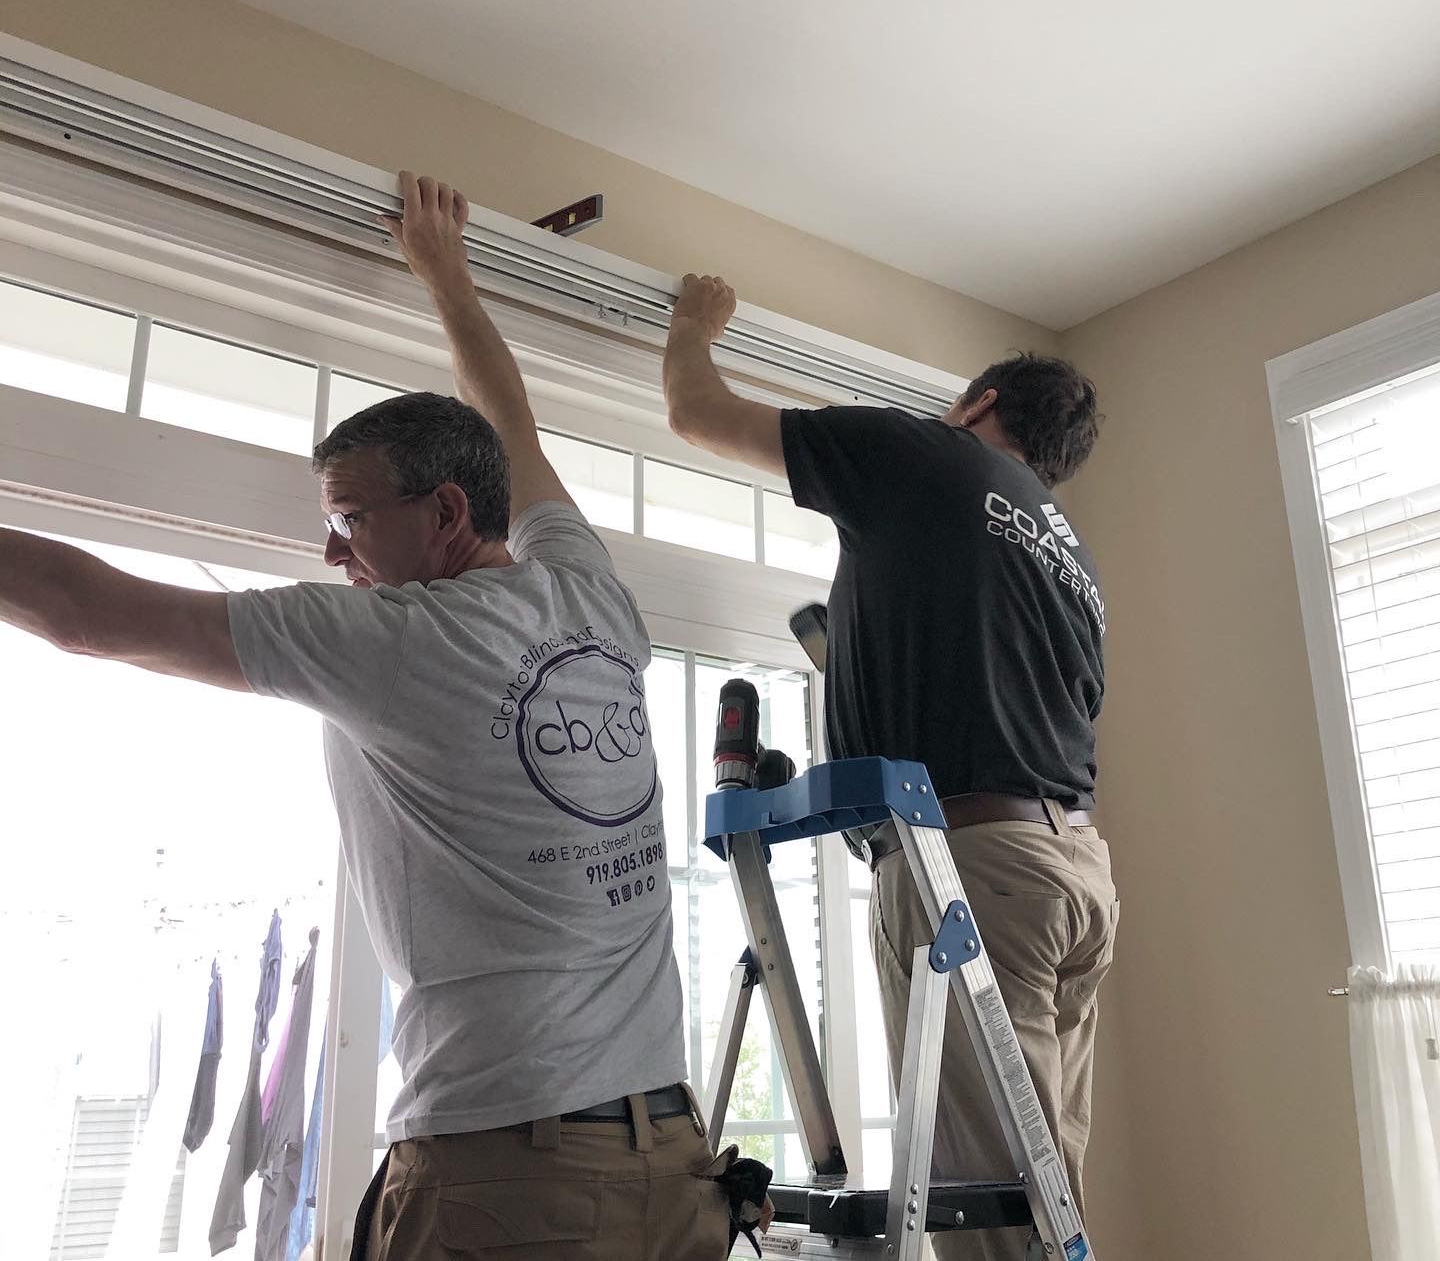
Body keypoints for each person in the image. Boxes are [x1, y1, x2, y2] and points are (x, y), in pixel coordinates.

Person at [0, 175, 733, 1261]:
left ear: (444, 514)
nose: (333, 553)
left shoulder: (402, 640)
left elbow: (85, 614)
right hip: (674, 1162)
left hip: (515, 1175)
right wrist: (446, 274)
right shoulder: (586, 587)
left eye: (347, 521)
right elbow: (509, 426)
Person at [663, 273, 1115, 1261]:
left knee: (986, 1221)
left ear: (981, 404)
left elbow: (698, 414)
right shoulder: (1069, 557)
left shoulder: (925, 453)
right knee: (1041, 1196)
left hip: (974, 869)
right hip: (1074, 871)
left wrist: (694, 325)